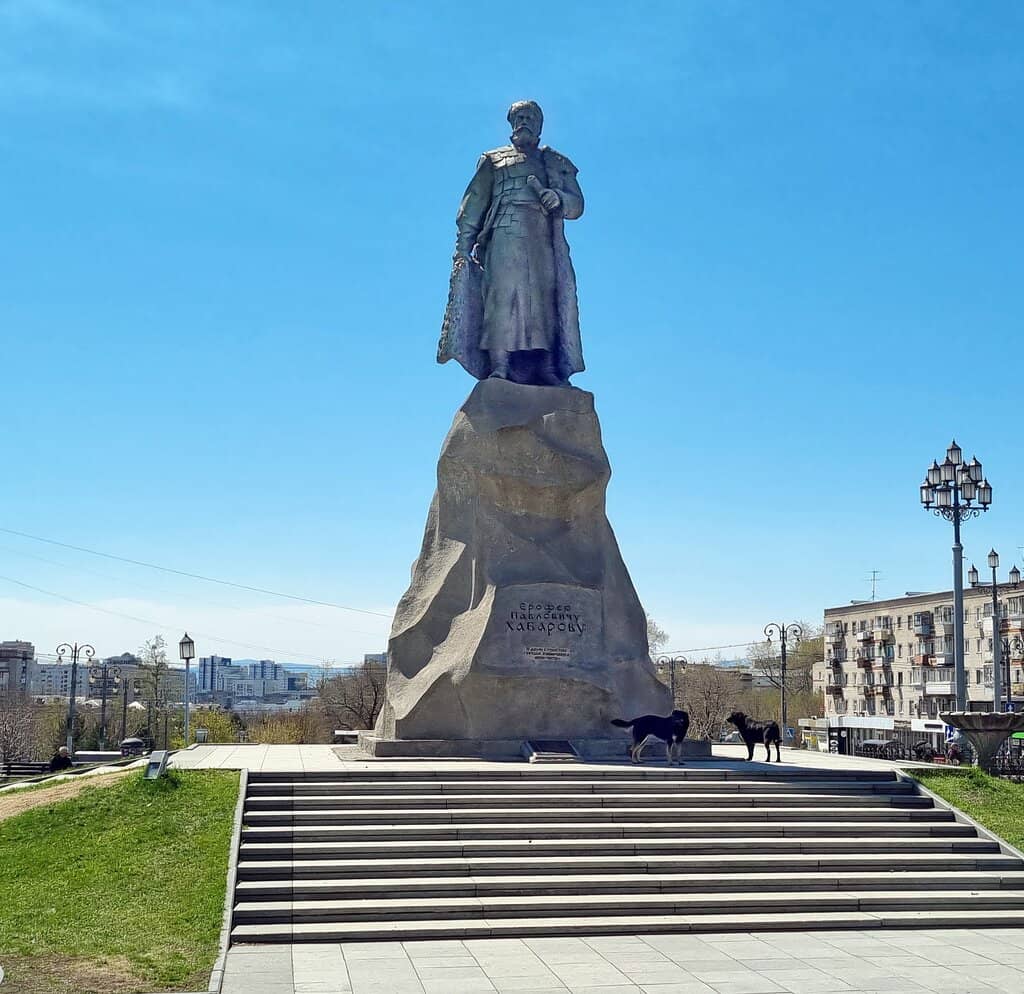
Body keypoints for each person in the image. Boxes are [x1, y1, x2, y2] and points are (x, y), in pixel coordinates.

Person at [439, 100, 585, 386]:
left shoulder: (554, 162)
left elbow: (577, 205)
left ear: (541, 124)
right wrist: (462, 248)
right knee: (502, 299)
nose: (525, 121)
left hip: (542, 239)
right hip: (503, 235)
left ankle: (545, 366)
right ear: (511, 123)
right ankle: (500, 366)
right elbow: (473, 206)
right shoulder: (493, 160)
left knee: (544, 302)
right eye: (520, 116)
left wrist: (559, 198)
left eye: (531, 116)